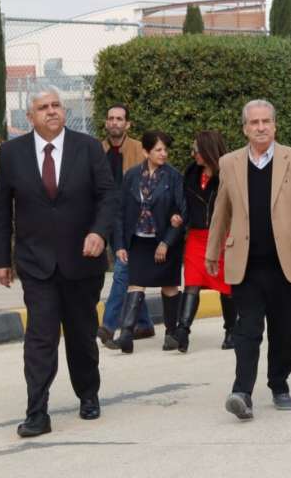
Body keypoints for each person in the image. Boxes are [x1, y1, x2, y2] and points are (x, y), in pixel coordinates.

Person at [0, 85, 117, 437]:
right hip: (36, 263)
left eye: (56, 105)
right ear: (30, 117)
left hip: (82, 261)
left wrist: (99, 232)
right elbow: (2, 208)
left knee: (81, 335)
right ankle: (37, 412)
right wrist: (1, 259)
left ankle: (88, 394)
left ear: (65, 111)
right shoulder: (11, 153)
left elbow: (108, 196)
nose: (51, 111)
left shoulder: (88, 148)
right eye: (43, 107)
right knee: (40, 338)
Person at [207, 99, 291, 419]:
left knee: (285, 332)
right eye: (254, 123)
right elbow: (222, 210)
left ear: (274, 125)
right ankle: (242, 391)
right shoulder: (229, 162)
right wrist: (212, 251)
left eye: (266, 122)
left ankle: (279, 383)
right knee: (247, 329)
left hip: (286, 262)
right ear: (244, 128)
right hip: (246, 263)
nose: (260, 127)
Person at [112, 131, 187, 354]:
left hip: (165, 241)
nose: (163, 154)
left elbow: (182, 212)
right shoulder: (132, 176)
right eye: (158, 150)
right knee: (135, 283)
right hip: (138, 241)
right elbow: (120, 211)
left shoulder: (174, 177)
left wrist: (166, 242)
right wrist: (119, 245)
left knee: (170, 286)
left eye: (165, 150)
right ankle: (126, 334)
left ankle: (171, 333)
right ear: (146, 152)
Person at [175, 129, 236, 353]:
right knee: (191, 281)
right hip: (197, 236)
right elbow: (183, 202)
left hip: (222, 235)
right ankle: (182, 331)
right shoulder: (191, 172)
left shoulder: (228, 173)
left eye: (197, 150)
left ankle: (231, 330)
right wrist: (178, 216)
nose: (194, 154)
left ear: (209, 150)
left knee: (226, 286)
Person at [98, 104, 153, 346]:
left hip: (132, 222)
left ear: (127, 124)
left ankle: (108, 326)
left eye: (120, 119)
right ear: (106, 123)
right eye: (111, 118)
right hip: (105, 219)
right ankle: (144, 324)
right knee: (130, 274)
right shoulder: (96, 150)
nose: (115, 122)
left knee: (121, 271)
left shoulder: (140, 150)